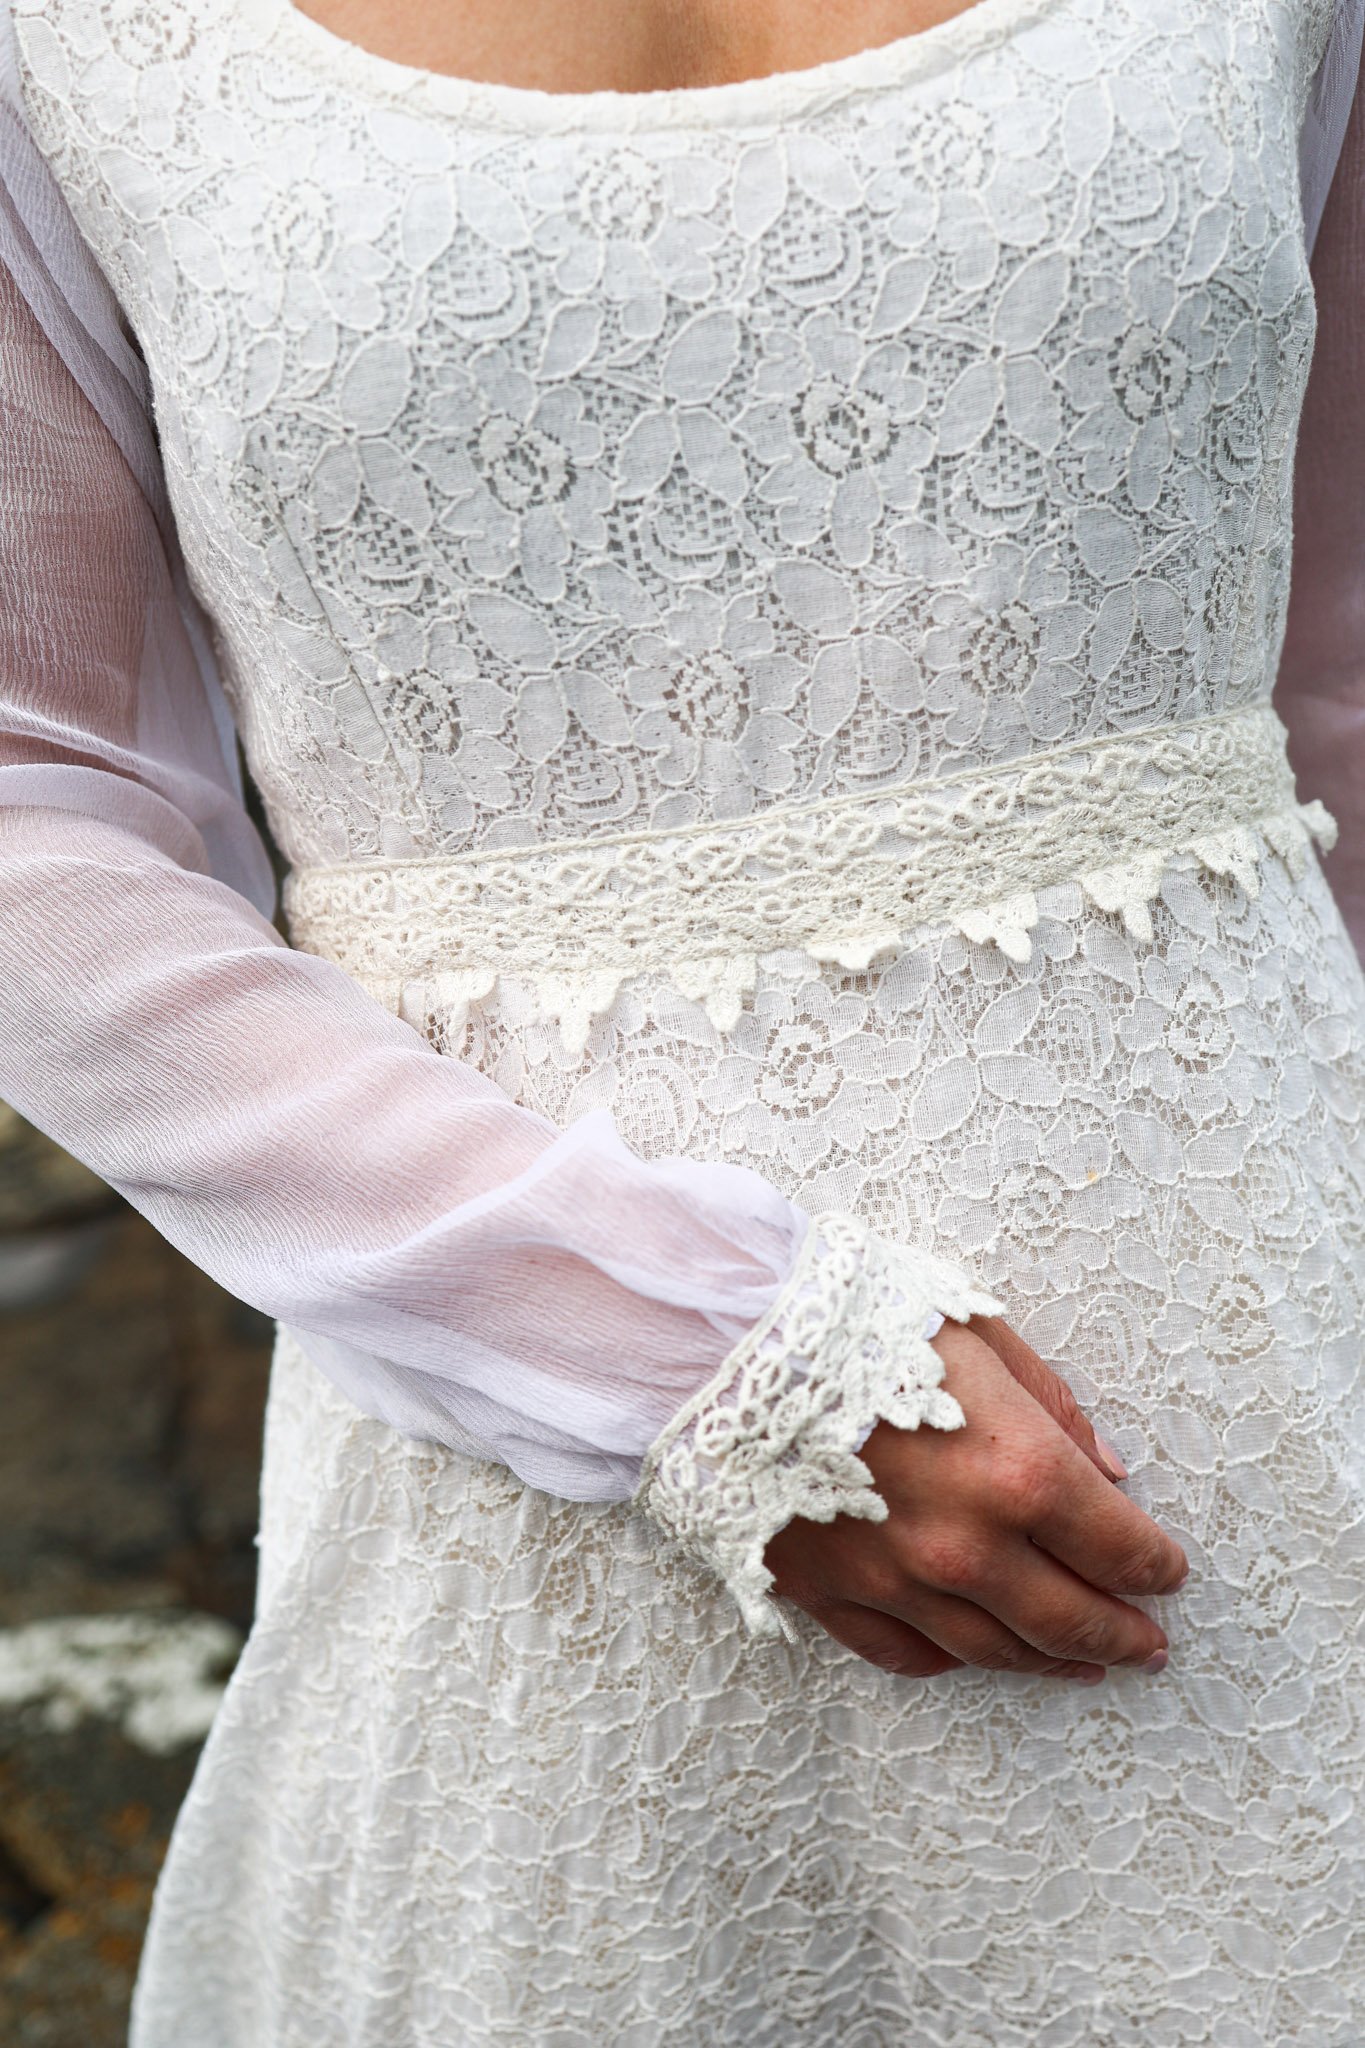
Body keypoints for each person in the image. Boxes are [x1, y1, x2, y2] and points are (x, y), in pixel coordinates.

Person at [1, 0, 1362, 2040]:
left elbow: (1336, 670)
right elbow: (32, 780)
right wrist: (700, 1357)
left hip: (1272, 1467)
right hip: (520, 1541)